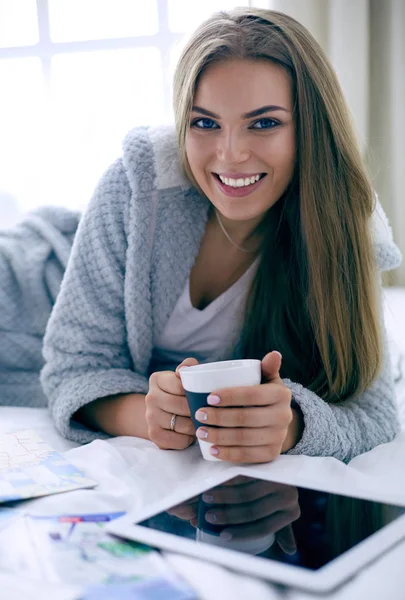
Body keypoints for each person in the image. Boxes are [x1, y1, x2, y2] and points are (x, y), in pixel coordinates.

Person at [41, 7, 402, 463]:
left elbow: (375, 412)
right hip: (31, 286)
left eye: (264, 123)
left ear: (309, 129)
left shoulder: (345, 223)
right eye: (205, 123)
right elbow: (72, 366)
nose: (230, 155)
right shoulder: (138, 186)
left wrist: (292, 426)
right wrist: (149, 417)